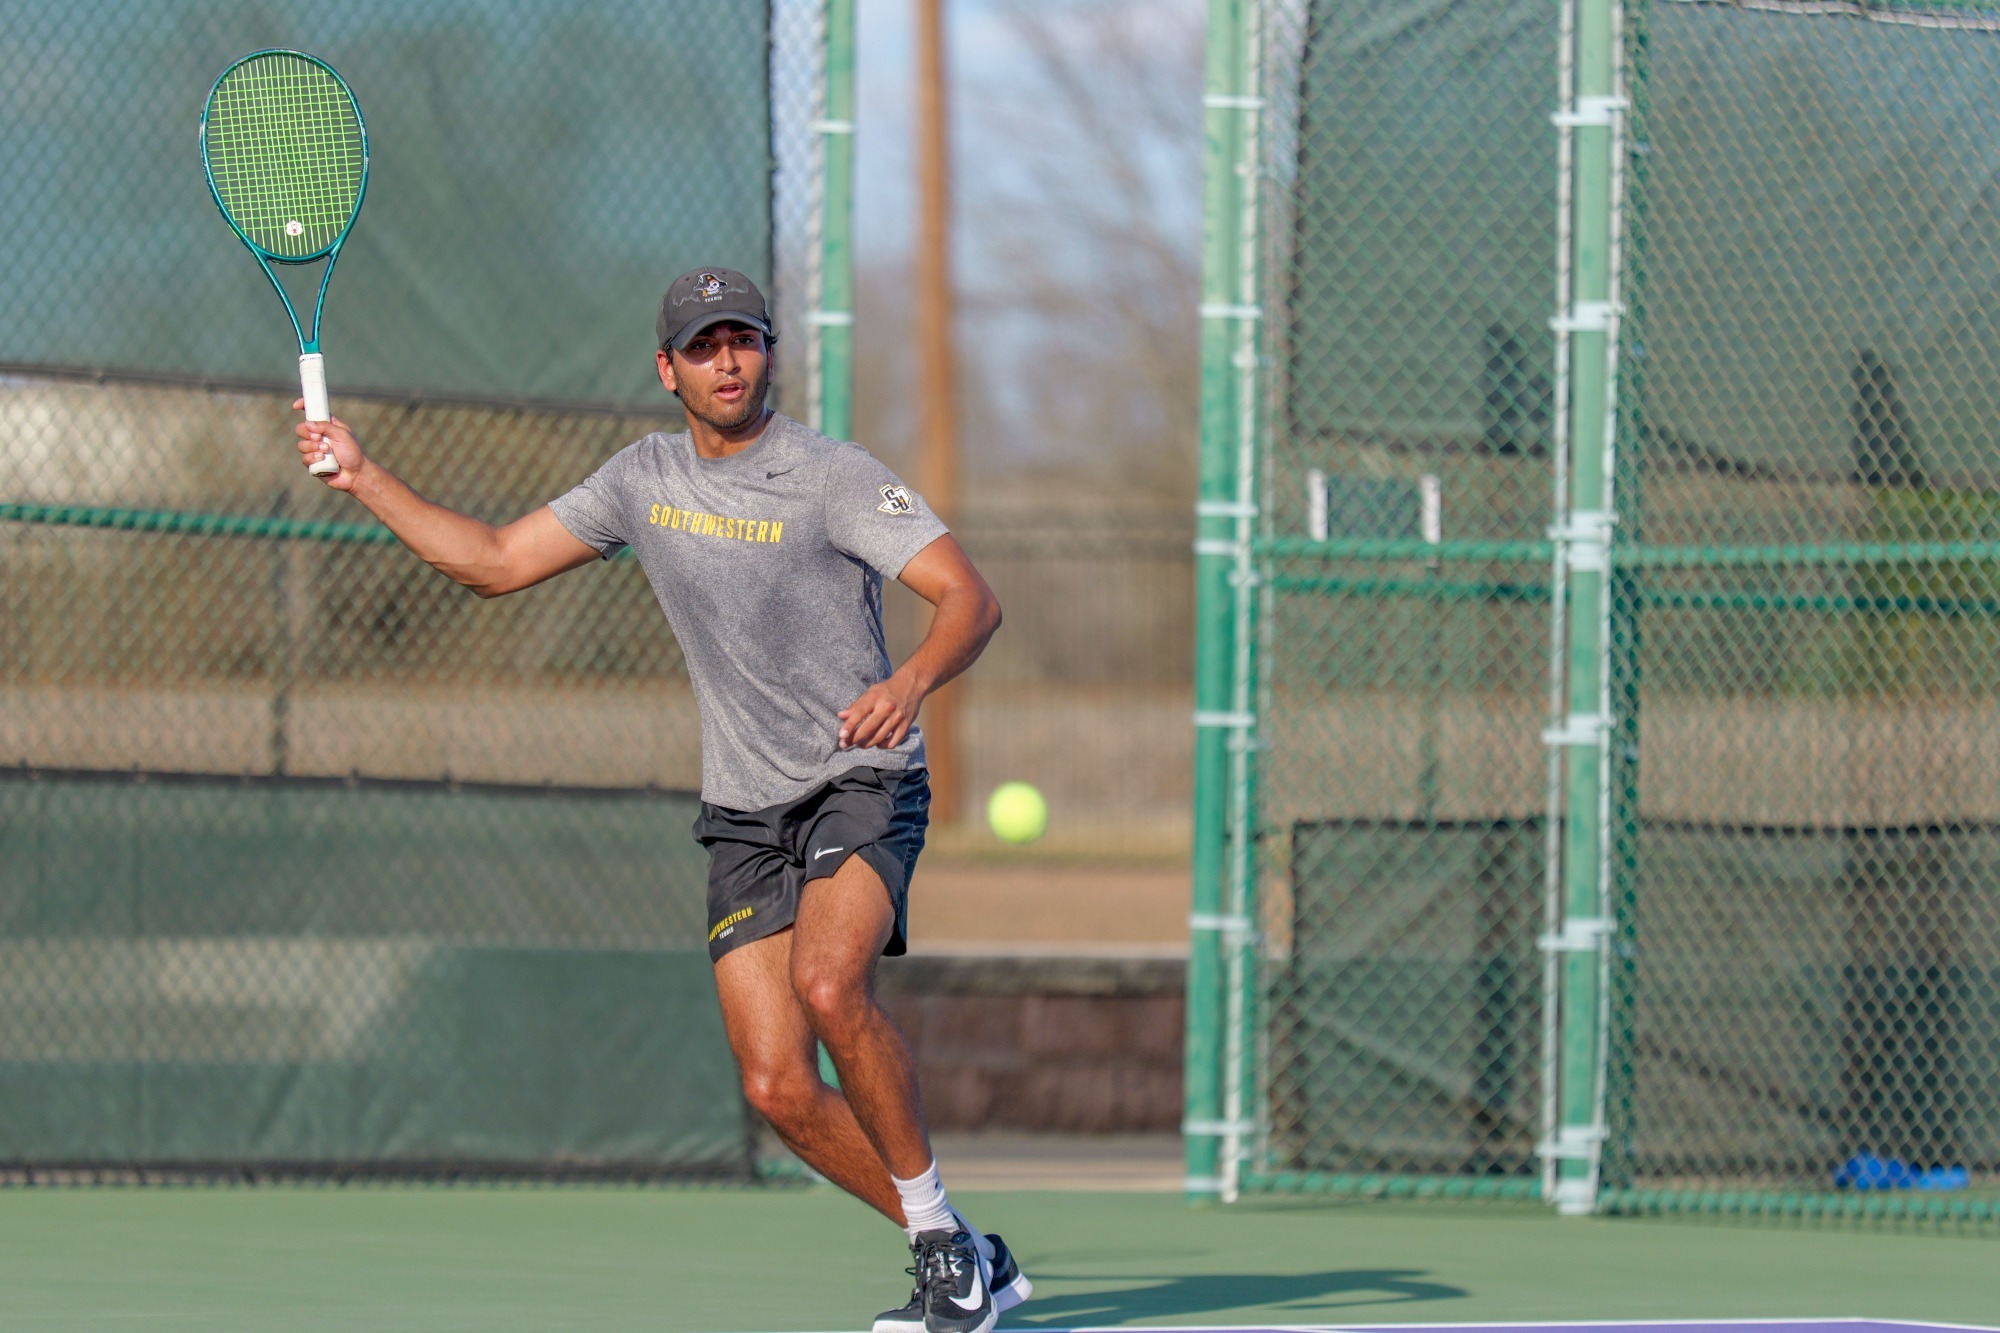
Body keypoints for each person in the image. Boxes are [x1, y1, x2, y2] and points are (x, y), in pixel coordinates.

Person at [293, 267, 1026, 1333]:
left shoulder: (830, 476)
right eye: (703, 346)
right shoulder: (640, 478)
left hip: (860, 780)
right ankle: (952, 1246)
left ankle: (947, 1271)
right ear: (665, 368)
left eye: (744, 340)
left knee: (829, 986)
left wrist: (906, 682)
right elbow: (494, 562)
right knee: (776, 1085)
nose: (727, 361)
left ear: (766, 352)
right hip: (743, 811)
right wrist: (364, 477)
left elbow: (970, 597)